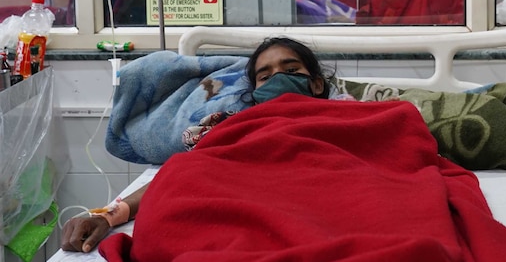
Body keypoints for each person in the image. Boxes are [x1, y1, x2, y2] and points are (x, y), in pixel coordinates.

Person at [60, 37, 336, 253]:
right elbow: (182, 173)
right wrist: (108, 217)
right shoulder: (231, 127)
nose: (278, 79)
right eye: (265, 77)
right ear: (255, 93)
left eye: (290, 70)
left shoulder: (351, 116)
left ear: (315, 84)